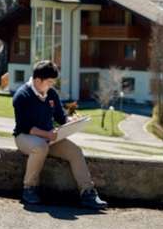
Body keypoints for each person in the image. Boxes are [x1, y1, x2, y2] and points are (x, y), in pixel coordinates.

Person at [12, 60, 107, 209]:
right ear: (38, 80)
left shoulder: (51, 94)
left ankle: (88, 193)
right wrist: (47, 134)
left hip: (49, 138)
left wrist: (72, 120)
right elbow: (24, 126)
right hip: (25, 137)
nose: (51, 85)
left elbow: (60, 117)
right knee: (40, 147)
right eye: (49, 82)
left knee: (75, 151)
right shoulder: (22, 96)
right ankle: (29, 188)